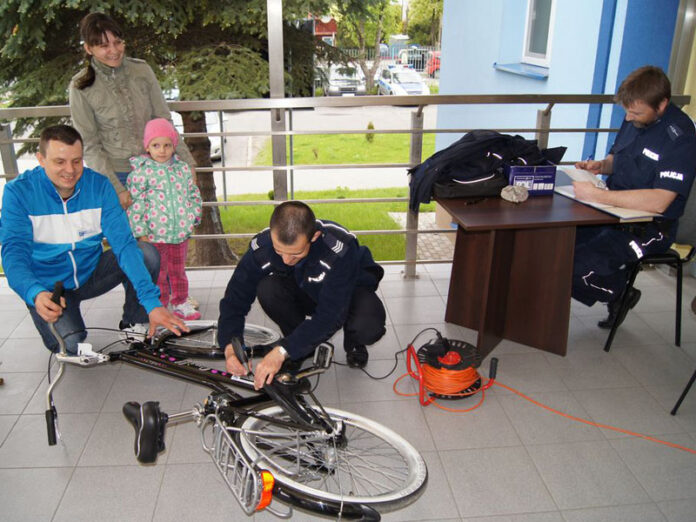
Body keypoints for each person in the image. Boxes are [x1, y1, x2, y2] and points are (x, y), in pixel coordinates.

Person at [0, 125, 189, 354]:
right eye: (60, 162)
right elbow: (13, 254)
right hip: (50, 287)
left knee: (146, 253)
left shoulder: (98, 186)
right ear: (41, 159)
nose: (70, 170)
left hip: (91, 274)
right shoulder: (18, 192)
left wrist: (152, 303)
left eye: (77, 161)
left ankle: (134, 322)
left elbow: (124, 245)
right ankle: (60, 318)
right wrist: (35, 293)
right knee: (70, 345)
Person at [572, 65, 696, 328]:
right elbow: (618, 158)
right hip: (612, 214)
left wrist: (597, 196)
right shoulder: (634, 117)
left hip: (649, 228)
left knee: (575, 268)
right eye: (627, 111)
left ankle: (620, 293)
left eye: (636, 112)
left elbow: (660, 201)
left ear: (661, 104)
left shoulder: (681, 137)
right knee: (556, 247)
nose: (628, 118)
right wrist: (601, 166)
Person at [218, 201, 386, 390]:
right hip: (304, 289)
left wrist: (281, 350)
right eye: (279, 251)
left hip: (347, 292)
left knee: (367, 325)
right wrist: (230, 346)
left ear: (314, 236)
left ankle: (354, 343)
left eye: (296, 253)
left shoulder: (339, 248)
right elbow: (235, 297)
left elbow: (330, 315)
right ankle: (300, 345)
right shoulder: (263, 247)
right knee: (268, 289)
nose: (286, 260)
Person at [69, 12, 196, 210]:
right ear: (88, 48)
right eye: (104, 46)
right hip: (118, 176)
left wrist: (189, 165)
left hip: (160, 170)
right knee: (128, 238)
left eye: (118, 42)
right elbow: (90, 145)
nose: (114, 50)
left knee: (163, 236)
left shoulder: (142, 71)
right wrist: (116, 188)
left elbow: (164, 121)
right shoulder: (81, 86)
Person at [127, 118, 202, 320]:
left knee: (178, 271)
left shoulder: (182, 170)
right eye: (156, 145)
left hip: (179, 234)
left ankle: (180, 302)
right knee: (159, 274)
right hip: (155, 235)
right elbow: (136, 205)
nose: (162, 150)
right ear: (147, 147)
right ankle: (160, 306)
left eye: (167, 145)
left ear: (173, 146)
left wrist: (193, 216)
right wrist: (141, 232)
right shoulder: (141, 173)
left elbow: (193, 194)